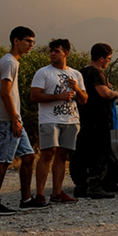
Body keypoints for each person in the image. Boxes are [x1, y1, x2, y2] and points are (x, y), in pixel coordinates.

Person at [0, 27, 46, 215]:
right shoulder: (9, 62)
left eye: (33, 41)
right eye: (28, 41)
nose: (31, 45)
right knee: (3, 161)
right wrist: (14, 119)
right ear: (16, 41)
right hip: (7, 120)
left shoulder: (11, 62)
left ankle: (26, 200)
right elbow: (5, 92)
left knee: (28, 156)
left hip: (13, 119)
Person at [30, 39, 87, 204]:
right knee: (47, 154)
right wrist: (58, 97)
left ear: (66, 53)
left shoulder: (76, 74)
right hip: (49, 119)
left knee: (62, 155)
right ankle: (40, 194)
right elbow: (34, 96)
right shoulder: (43, 73)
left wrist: (76, 88)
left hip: (71, 120)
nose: (52, 54)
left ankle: (57, 193)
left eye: (56, 51)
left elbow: (84, 100)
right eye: (51, 51)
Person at [75, 43, 118, 199]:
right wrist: (115, 93)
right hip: (98, 119)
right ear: (101, 58)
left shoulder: (81, 72)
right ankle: (95, 186)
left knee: (82, 153)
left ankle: (81, 186)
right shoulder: (96, 73)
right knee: (100, 152)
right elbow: (104, 93)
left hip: (83, 118)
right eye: (108, 58)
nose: (108, 61)